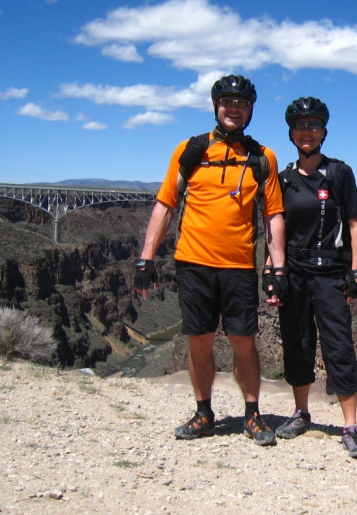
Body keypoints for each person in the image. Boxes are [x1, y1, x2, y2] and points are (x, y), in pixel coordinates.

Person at [134, 74, 287, 446]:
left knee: (243, 341)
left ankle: (253, 416)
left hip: (237, 266)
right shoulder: (190, 149)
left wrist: (277, 266)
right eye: (227, 102)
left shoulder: (262, 157)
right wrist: (146, 257)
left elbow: (273, 216)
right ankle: (204, 413)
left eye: (242, 103)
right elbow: (166, 203)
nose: (234, 108)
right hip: (193, 263)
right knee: (198, 341)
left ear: (251, 110)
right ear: (215, 106)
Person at [265, 96, 357, 459]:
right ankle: (300, 413)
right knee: (297, 342)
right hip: (294, 273)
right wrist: (271, 271)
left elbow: (355, 223)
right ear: (291, 133)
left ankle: (351, 425)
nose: (306, 132)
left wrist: (356, 271)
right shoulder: (284, 180)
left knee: (339, 345)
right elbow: (275, 228)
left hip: (330, 276)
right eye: (299, 126)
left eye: (312, 125)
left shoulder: (339, 173)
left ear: (324, 131)